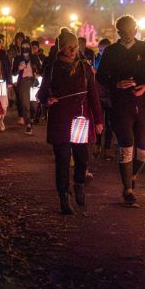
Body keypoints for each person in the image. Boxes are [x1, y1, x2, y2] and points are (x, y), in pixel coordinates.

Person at [37, 30, 104, 215]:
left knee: (82, 158)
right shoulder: (53, 67)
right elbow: (41, 93)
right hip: (61, 121)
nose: (73, 49)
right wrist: (47, 99)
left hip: (81, 120)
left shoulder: (84, 68)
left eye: (75, 46)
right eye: (69, 46)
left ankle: (79, 184)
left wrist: (98, 119)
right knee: (63, 160)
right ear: (61, 47)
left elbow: (93, 95)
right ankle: (64, 196)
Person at [96, 15, 145, 206]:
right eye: (123, 31)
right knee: (127, 145)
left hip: (143, 104)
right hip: (120, 105)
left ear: (136, 28)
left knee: (143, 150)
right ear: (118, 32)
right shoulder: (111, 51)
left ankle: (131, 175)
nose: (127, 34)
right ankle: (128, 190)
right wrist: (116, 83)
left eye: (131, 29)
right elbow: (100, 77)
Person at [12, 39, 43, 134]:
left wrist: (38, 74)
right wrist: (18, 68)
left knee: (34, 104)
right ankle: (29, 125)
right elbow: (13, 72)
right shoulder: (17, 58)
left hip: (33, 81)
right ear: (21, 47)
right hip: (23, 82)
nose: (25, 48)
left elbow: (41, 70)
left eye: (27, 46)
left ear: (29, 47)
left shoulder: (34, 57)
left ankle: (31, 118)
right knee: (26, 104)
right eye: (23, 46)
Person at [92, 38, 114, 160]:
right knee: (99, 121)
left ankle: (107, 148)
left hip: (110, 95)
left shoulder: (114, 60)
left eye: (103, 50)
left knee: (110, 123)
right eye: (99, 50)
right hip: (99, 94)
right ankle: (97, 145)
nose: (101, 52)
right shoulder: (96, 58)